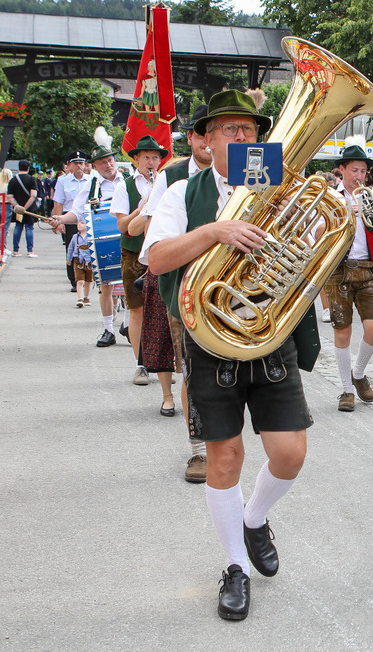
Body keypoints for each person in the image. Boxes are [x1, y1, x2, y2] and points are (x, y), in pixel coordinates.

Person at [142, 89, 314, 621]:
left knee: (290, 453)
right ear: (205, 140)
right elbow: (155, 259)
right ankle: (235, 564)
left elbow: (309, 254)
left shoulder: (276, 185)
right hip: (209, 339)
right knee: (224, 457)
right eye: (231, 130)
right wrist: (214, 230)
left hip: (267, 333)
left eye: (250, 130)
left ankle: (254, 517)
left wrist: (298, 217)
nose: (243, 138)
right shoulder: (180, 192)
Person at [131, 105, 211, 482]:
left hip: (239, 294)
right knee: (193, 373)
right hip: (185, 290)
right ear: (194, 139)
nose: (211, 142)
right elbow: (154, 242)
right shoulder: (173, 177)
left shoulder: (252, 174)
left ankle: (227, 441)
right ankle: (198, 451)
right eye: (202, 134)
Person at [321, 142, 373, 412]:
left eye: (363, 171)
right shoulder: (329, 197)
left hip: (367, 267)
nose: (359, 176)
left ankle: (358, 373)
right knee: (342, 331)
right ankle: (347, 389)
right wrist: (347, 215)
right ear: (342, 170)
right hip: (339, 269)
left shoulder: (369, 196)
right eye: (354, 170)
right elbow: (318, 235)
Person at [50, 138, 124, 348]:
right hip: (103, 244)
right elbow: (76, 211)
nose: (108, 165)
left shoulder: (127, 180)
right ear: (95, 166)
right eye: (103, 163)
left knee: (131, 287)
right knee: (105, 286)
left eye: (110, 161)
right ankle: (109, 329)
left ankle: (127, 325)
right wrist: (61, 219)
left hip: (129, 239)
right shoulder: (92, 185)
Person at [111, 135, 167, 386]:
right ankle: (141, 364)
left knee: (164, 309)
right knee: (137, 309)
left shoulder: (165, 181)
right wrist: (142, 206)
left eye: (155, 157)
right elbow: (123, 225)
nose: (152, 162)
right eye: (146, 157)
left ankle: (163, 362)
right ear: (136, 159)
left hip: (159, 249)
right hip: (134, 252)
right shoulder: (125, 185)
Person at [52, 151, 92, 291]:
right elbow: (58, 202)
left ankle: (90, 278)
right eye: (76, 163)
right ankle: (75, 281)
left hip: (88, 219)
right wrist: (59, 222)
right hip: (70, 218)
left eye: (81, 163)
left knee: (91, 248)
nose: (79, 166)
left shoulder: (92, 178)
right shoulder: (63, 181)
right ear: (69, 165)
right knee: (73, 249)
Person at [9, 160, 40, 257]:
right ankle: (30, 251)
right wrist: (25, 208)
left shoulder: (13, 180)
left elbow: (10, 196)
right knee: (29, 228)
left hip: (17, 209)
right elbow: (33, 195)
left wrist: (17, 207)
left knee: (18, 227)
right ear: (28, 168)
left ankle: (15, 250)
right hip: (29, 209)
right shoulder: (31, 179)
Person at [67, 221, 92, 307]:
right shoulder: (75, 237)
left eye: (82, 223)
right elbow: (70, 248)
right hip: (78, 261)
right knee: (80, 280)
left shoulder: (91, 236)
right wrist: (69, 259)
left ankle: (86, 297)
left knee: (88, 281)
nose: (79, 225)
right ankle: (80, 298)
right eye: (78, 224)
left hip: (89, 262)